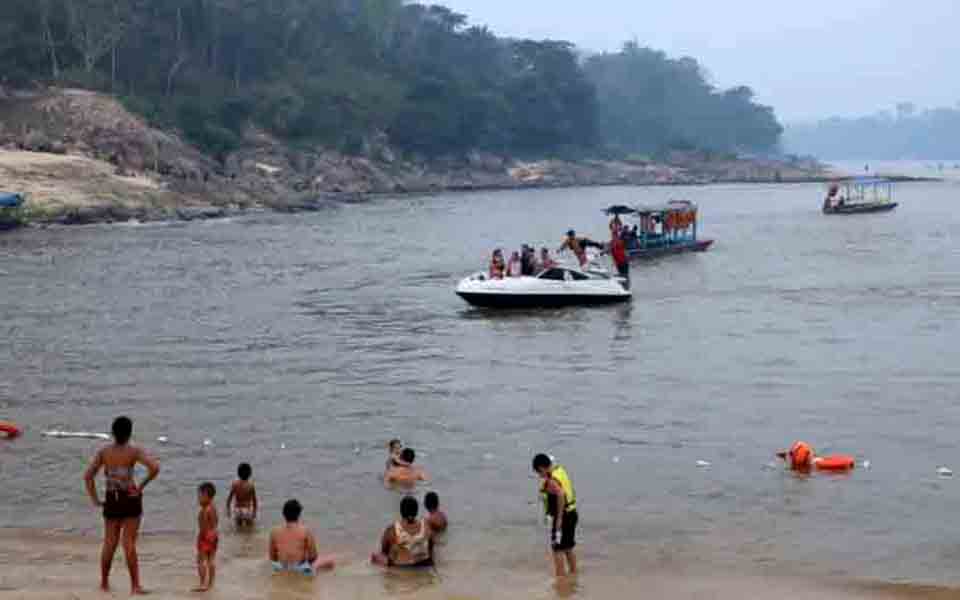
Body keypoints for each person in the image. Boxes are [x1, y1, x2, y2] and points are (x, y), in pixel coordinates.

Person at [83, 416, 160, 595]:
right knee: (129, 543)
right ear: (129, 433)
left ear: (112, 432)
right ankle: (135, 586)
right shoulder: (133, 451)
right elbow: (155, 468)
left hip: (112, 498)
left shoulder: (104, 452)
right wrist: (140, 486)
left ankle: (104, 583)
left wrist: (94, 499)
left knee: (109, 542)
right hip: (130, 497)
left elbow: (88, 476)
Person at [532, 453, 578, 577]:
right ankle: (574, 574)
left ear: (542, 468)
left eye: (538, 472)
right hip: (572, 513)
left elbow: (561, 495)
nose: (539, 475)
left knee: (557, 549)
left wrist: (559, 520)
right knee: (568, 547)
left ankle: (560, 577)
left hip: (563, 518)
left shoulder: (551, 482)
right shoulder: (559, 470)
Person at [269, 499, 336, 575]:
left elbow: (272, 557)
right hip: (300, 569)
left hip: (281, 568)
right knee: (331, 562)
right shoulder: (305, 531)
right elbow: (313, 556)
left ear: (283, 514)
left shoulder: (274, 531)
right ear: (299, 514)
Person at [370, 496, 434, 568]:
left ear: (401, 511)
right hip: (422, 564)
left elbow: (384, 551)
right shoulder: (427, 527)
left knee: (375, 556)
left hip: (400, 566)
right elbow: (430, 551)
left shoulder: (392, 529)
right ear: (416, 511)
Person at [194, 482, 219, 592]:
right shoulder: (213, 508)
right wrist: (213, 534)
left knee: (200, 560)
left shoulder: (205, 510)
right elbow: (215, 523)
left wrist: (202, 537)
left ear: (206, 496)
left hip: (205, 537)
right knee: (211, 560)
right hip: (214, 536)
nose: (198, 499)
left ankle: (202, 583)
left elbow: (204, 527)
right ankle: (211, 583)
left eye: (199, 496)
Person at [226, 463, 258, 528]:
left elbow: (229, 498)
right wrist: (254, 512)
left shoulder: (235, 484)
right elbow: (254, 500)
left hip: (238, 510)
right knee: (250, 528)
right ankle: (248, 538)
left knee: (238, 527)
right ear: (250, 474)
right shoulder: (250, 485)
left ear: (238, 473)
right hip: (247, 509)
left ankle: (239, 537)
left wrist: (228, 510)